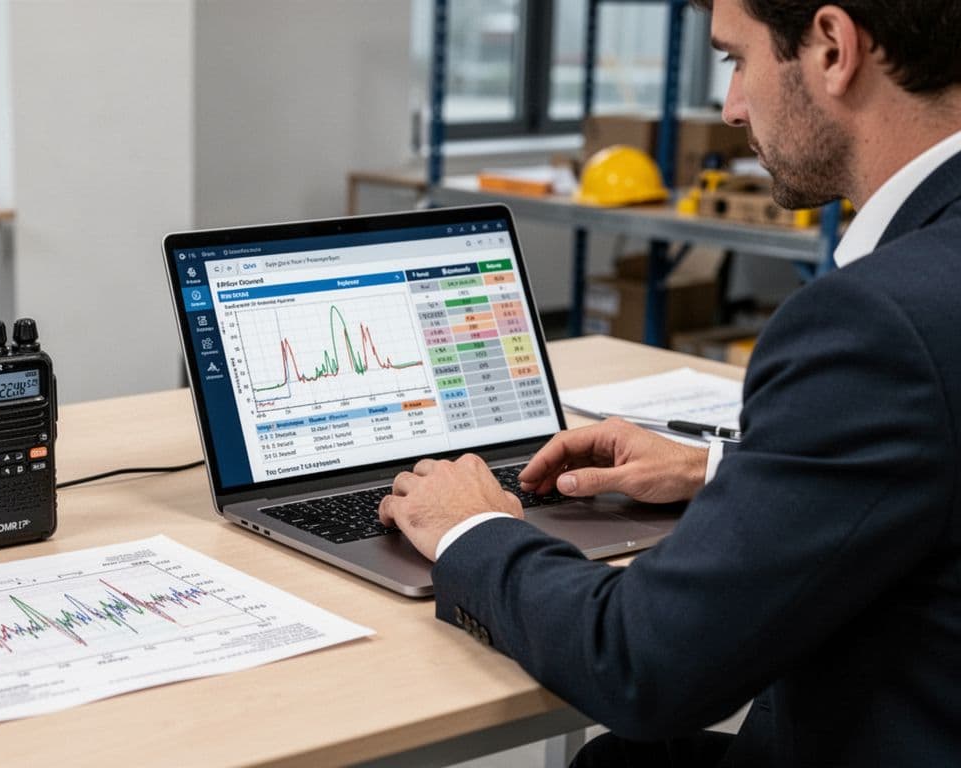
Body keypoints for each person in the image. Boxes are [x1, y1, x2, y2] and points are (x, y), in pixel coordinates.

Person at [378, 0, 961, 765]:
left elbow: (642, 666)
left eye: (735, 60)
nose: (730, 108)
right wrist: (720, 469)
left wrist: (470, 529)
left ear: (831, 47)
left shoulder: (876, 320)